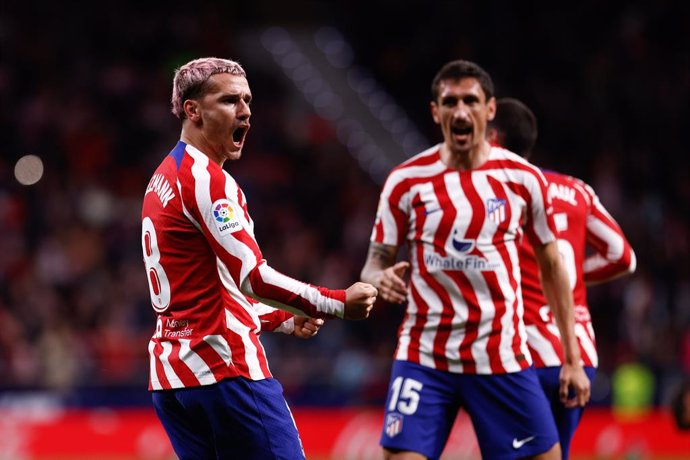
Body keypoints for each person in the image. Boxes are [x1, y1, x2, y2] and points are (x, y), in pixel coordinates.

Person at [141, 57, 378, 460]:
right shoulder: (209, 182)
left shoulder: (163, 176)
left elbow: (209, 290)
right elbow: (253, 278)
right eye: (230, 100)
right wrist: (337, 303)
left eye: (247, 100)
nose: (246, 110)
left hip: (173, 380)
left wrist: (281, 318)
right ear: (192, 110)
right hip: (226, 375)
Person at [360, 59, 591, 460]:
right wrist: (379, 278)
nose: (461, 111)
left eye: (471, 100)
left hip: (501, 357)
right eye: (450, 102)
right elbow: (373, 263)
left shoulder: (523, 179)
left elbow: (555, 269)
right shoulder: (406, 181)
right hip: (425, 356)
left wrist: (572, 359)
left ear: (490, 109)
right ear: (436, 112)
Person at [487, 97, 637, 459]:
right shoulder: (577, 189)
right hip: (579, 354)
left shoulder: (496, 191)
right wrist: (570, 277)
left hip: (523, 353)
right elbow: (623, 257)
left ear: (492, 138)